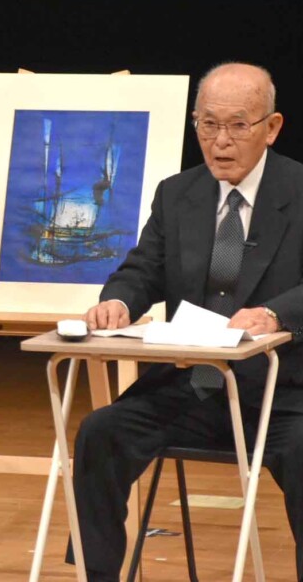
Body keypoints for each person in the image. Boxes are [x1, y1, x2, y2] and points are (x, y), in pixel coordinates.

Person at [72, 62, 303, 582]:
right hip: (191, 389)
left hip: (281, 396)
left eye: (238, 125)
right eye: (207, 124)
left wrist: (275, 314)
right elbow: (143, 269)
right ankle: (98, 574)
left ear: (271, 127)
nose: (220, 141)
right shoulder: (177, 194)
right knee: (100, 432)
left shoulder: (299, 190)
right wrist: (119, 302)